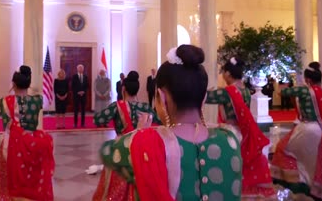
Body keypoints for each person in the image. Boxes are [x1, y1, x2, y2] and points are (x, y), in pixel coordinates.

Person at [100, 45, 243, 201]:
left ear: (162, 97)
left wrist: (139, 136)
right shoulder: (230, 140)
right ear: (203, 99)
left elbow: (108, 156)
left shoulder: (139, 145)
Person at [271, 62, 322, 200]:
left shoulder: (304, 90)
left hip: (306, 129)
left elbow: (282, 92)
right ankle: (317, 190)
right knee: (315, 163)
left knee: (283, 149)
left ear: (308, 79)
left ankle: (298, 183)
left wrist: (297, 85)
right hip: (321, 131)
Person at [205, 57, 276, 199]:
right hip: (243, 132)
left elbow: (205, 97)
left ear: (228, 74)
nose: (222, 75)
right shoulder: (245, 91)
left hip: (230, 132)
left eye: (223, 72)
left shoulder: (228, 92)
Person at [0, 65, 54, 201]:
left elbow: (6, 125)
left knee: (7, 178)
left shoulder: (5, 101)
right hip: (33, 143)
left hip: (10, 144)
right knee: (31, 177)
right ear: (28, 83)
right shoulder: (37, 100)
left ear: (13, 84)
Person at [93, 70, 159, 200]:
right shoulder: (145, 106)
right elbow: (159, 120)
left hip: (121, 151)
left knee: (116, 190)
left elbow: (98, 120)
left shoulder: (117, 106)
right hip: (141, 152)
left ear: (123, 89)